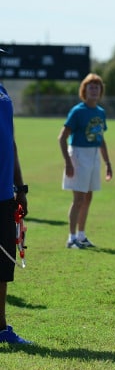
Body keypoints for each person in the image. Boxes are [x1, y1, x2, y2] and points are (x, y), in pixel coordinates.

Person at [58, 73, 112, 249]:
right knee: (78, 199)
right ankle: (71, 237)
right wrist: (68, 162)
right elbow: (62, 138)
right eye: (91, 87)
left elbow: (100, 138)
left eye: (97, 87)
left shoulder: (100, 112)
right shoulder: (77, 111)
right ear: (84, 90)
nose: (94, 90)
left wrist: (108, 163)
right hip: (79, 156)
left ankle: (81, 235)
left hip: (94, 155)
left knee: (88, 197)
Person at [0, 49, 32, 344]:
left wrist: (20, 188)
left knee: (3, 262)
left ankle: (1, 328)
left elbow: (11, 142)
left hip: (4, 193)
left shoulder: (3, 92)